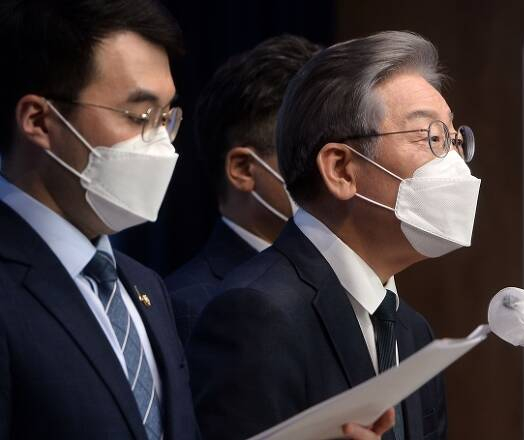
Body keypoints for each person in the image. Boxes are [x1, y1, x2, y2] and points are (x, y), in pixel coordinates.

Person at [188, 30, 481, 440]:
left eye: (454, 140)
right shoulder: (256, 313)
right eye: (431, 138)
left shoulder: (413, 331)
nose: (454, 164)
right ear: (341, 169)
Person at [0, 1, 199, 439]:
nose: (160, 143)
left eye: (166, 118)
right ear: (39, 121)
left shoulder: (145, 285)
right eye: (140, 116)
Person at [166, 35, 320, 345]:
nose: (338, 172)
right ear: (244, 169)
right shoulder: (190, 307)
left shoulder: (354, 285)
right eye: (313, 150)